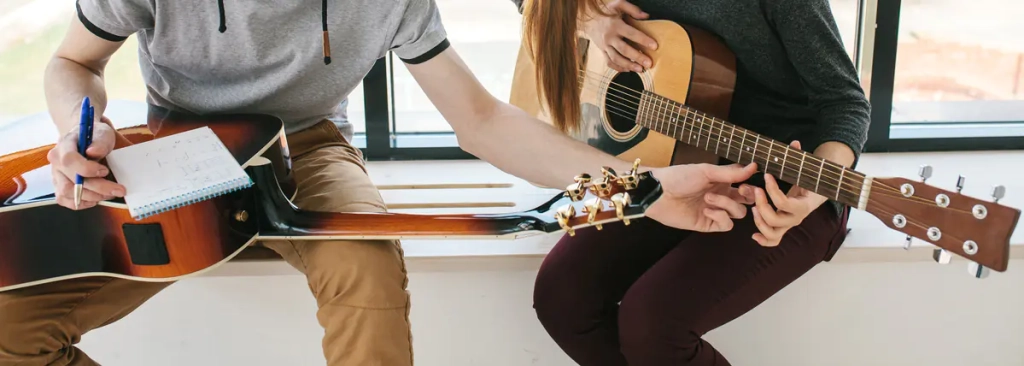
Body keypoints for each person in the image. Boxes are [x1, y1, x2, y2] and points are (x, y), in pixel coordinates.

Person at [0, 0, 764, 365]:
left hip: (308, 145)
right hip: (172, 148)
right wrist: (80, 128)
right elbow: (74, 64)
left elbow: (481, 120)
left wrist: (645, 185)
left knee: (365, 265)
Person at [513, 0, 870, 364]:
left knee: (652, 324)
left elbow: (845, 104)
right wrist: (585, 18)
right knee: (562, 297)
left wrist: (811, 195)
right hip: (664, 161)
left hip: (785, 185)